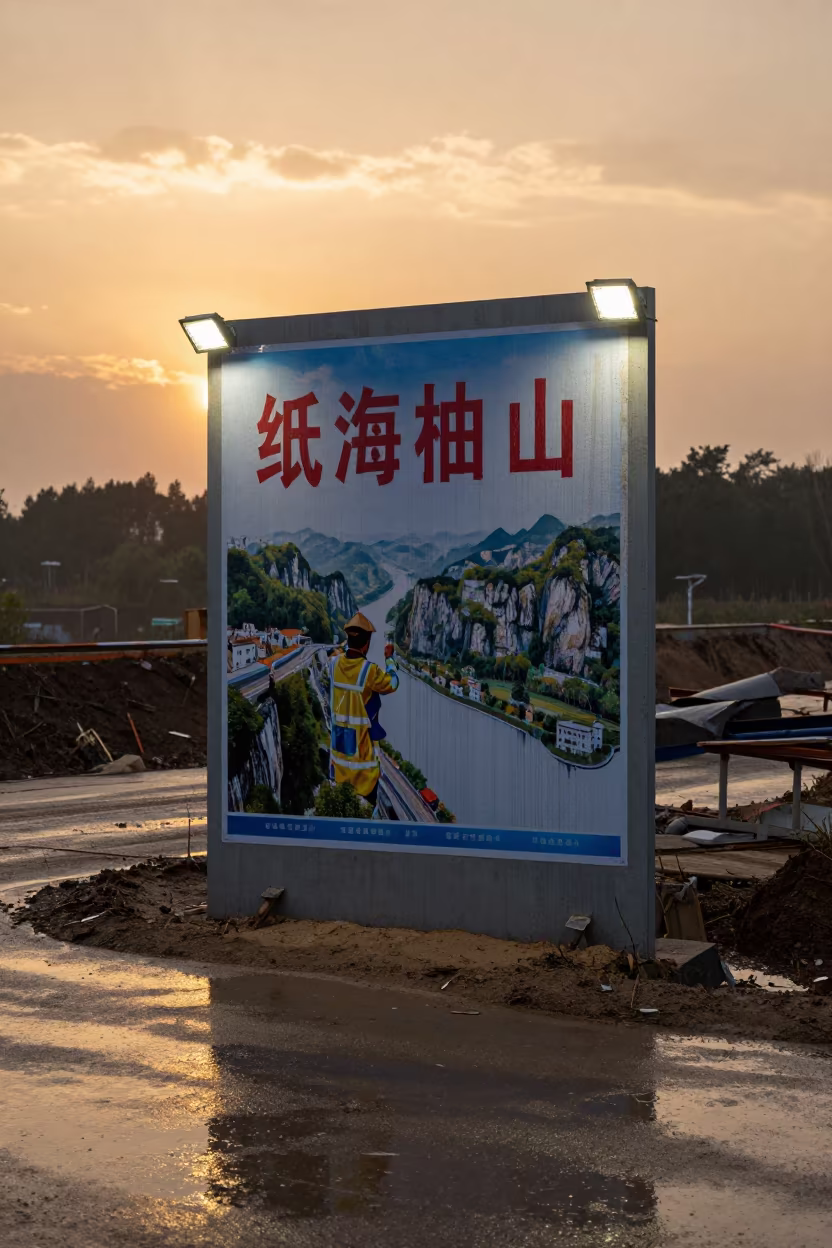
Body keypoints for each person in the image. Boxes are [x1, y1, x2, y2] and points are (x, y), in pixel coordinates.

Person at [328, 611, 399, 811]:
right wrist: (390, 660)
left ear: (348, 639)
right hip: (363, 770)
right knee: (366, 816)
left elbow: (340, 654)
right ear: (366, 644)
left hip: (338, 764)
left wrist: (346, 645)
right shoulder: (370, 672)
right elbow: (393, 683)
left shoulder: (333, 665)